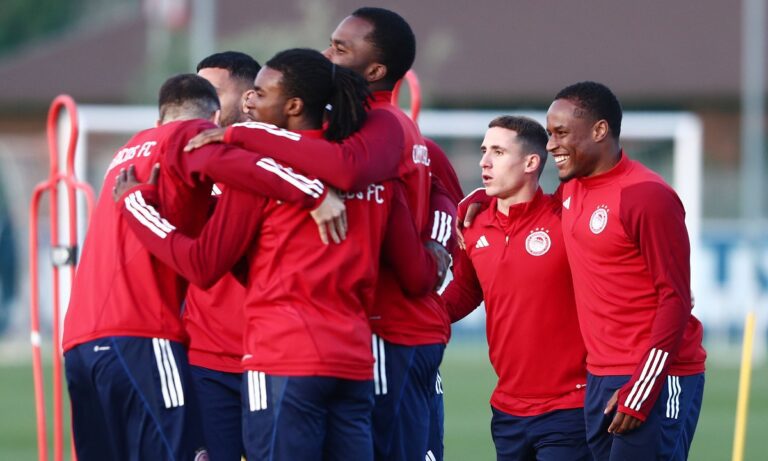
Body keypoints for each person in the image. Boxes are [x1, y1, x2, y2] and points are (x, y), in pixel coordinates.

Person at [113, 48, 450, 460]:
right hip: (353, 362)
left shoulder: (258, 172)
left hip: (282, 356)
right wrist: (439, 247)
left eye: (260, 92)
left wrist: (136, 205)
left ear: (293, 106)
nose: (250, 101)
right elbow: (417, 275)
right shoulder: (373, 176)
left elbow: (203, 265)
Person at [62, 73, 338, 460]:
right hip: (142, 334)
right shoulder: (188, 135)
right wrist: (314, 193)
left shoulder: (131, 148)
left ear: (160, 117)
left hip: (80, 343)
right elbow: (251, 169)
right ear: (213, 119)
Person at [547, 81, 706, 460]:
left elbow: (675, 299)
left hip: (656, 376)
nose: (551, 145)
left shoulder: (646, 196)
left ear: (599, 130)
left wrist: (642, 388)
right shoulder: (571, 190)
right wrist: (483, 198)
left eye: (561, 133)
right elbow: (530, 214)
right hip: (600, 375)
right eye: (550, 134)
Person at [443, 116, 589, 460]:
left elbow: (593, 168)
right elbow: (465, 292)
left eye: (498, 151)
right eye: (484, 150)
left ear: (531, 162)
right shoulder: (473, 225)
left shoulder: (564, 217)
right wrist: (418, 315)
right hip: (507, 409)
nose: (484, 161)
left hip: (570, 406)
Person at [189, 50, 261, 461]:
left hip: (274, 357)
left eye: (212, 92)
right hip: (206, 359)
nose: (202, 103)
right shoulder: (187, 163)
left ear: (250, 98)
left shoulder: (282, 159)